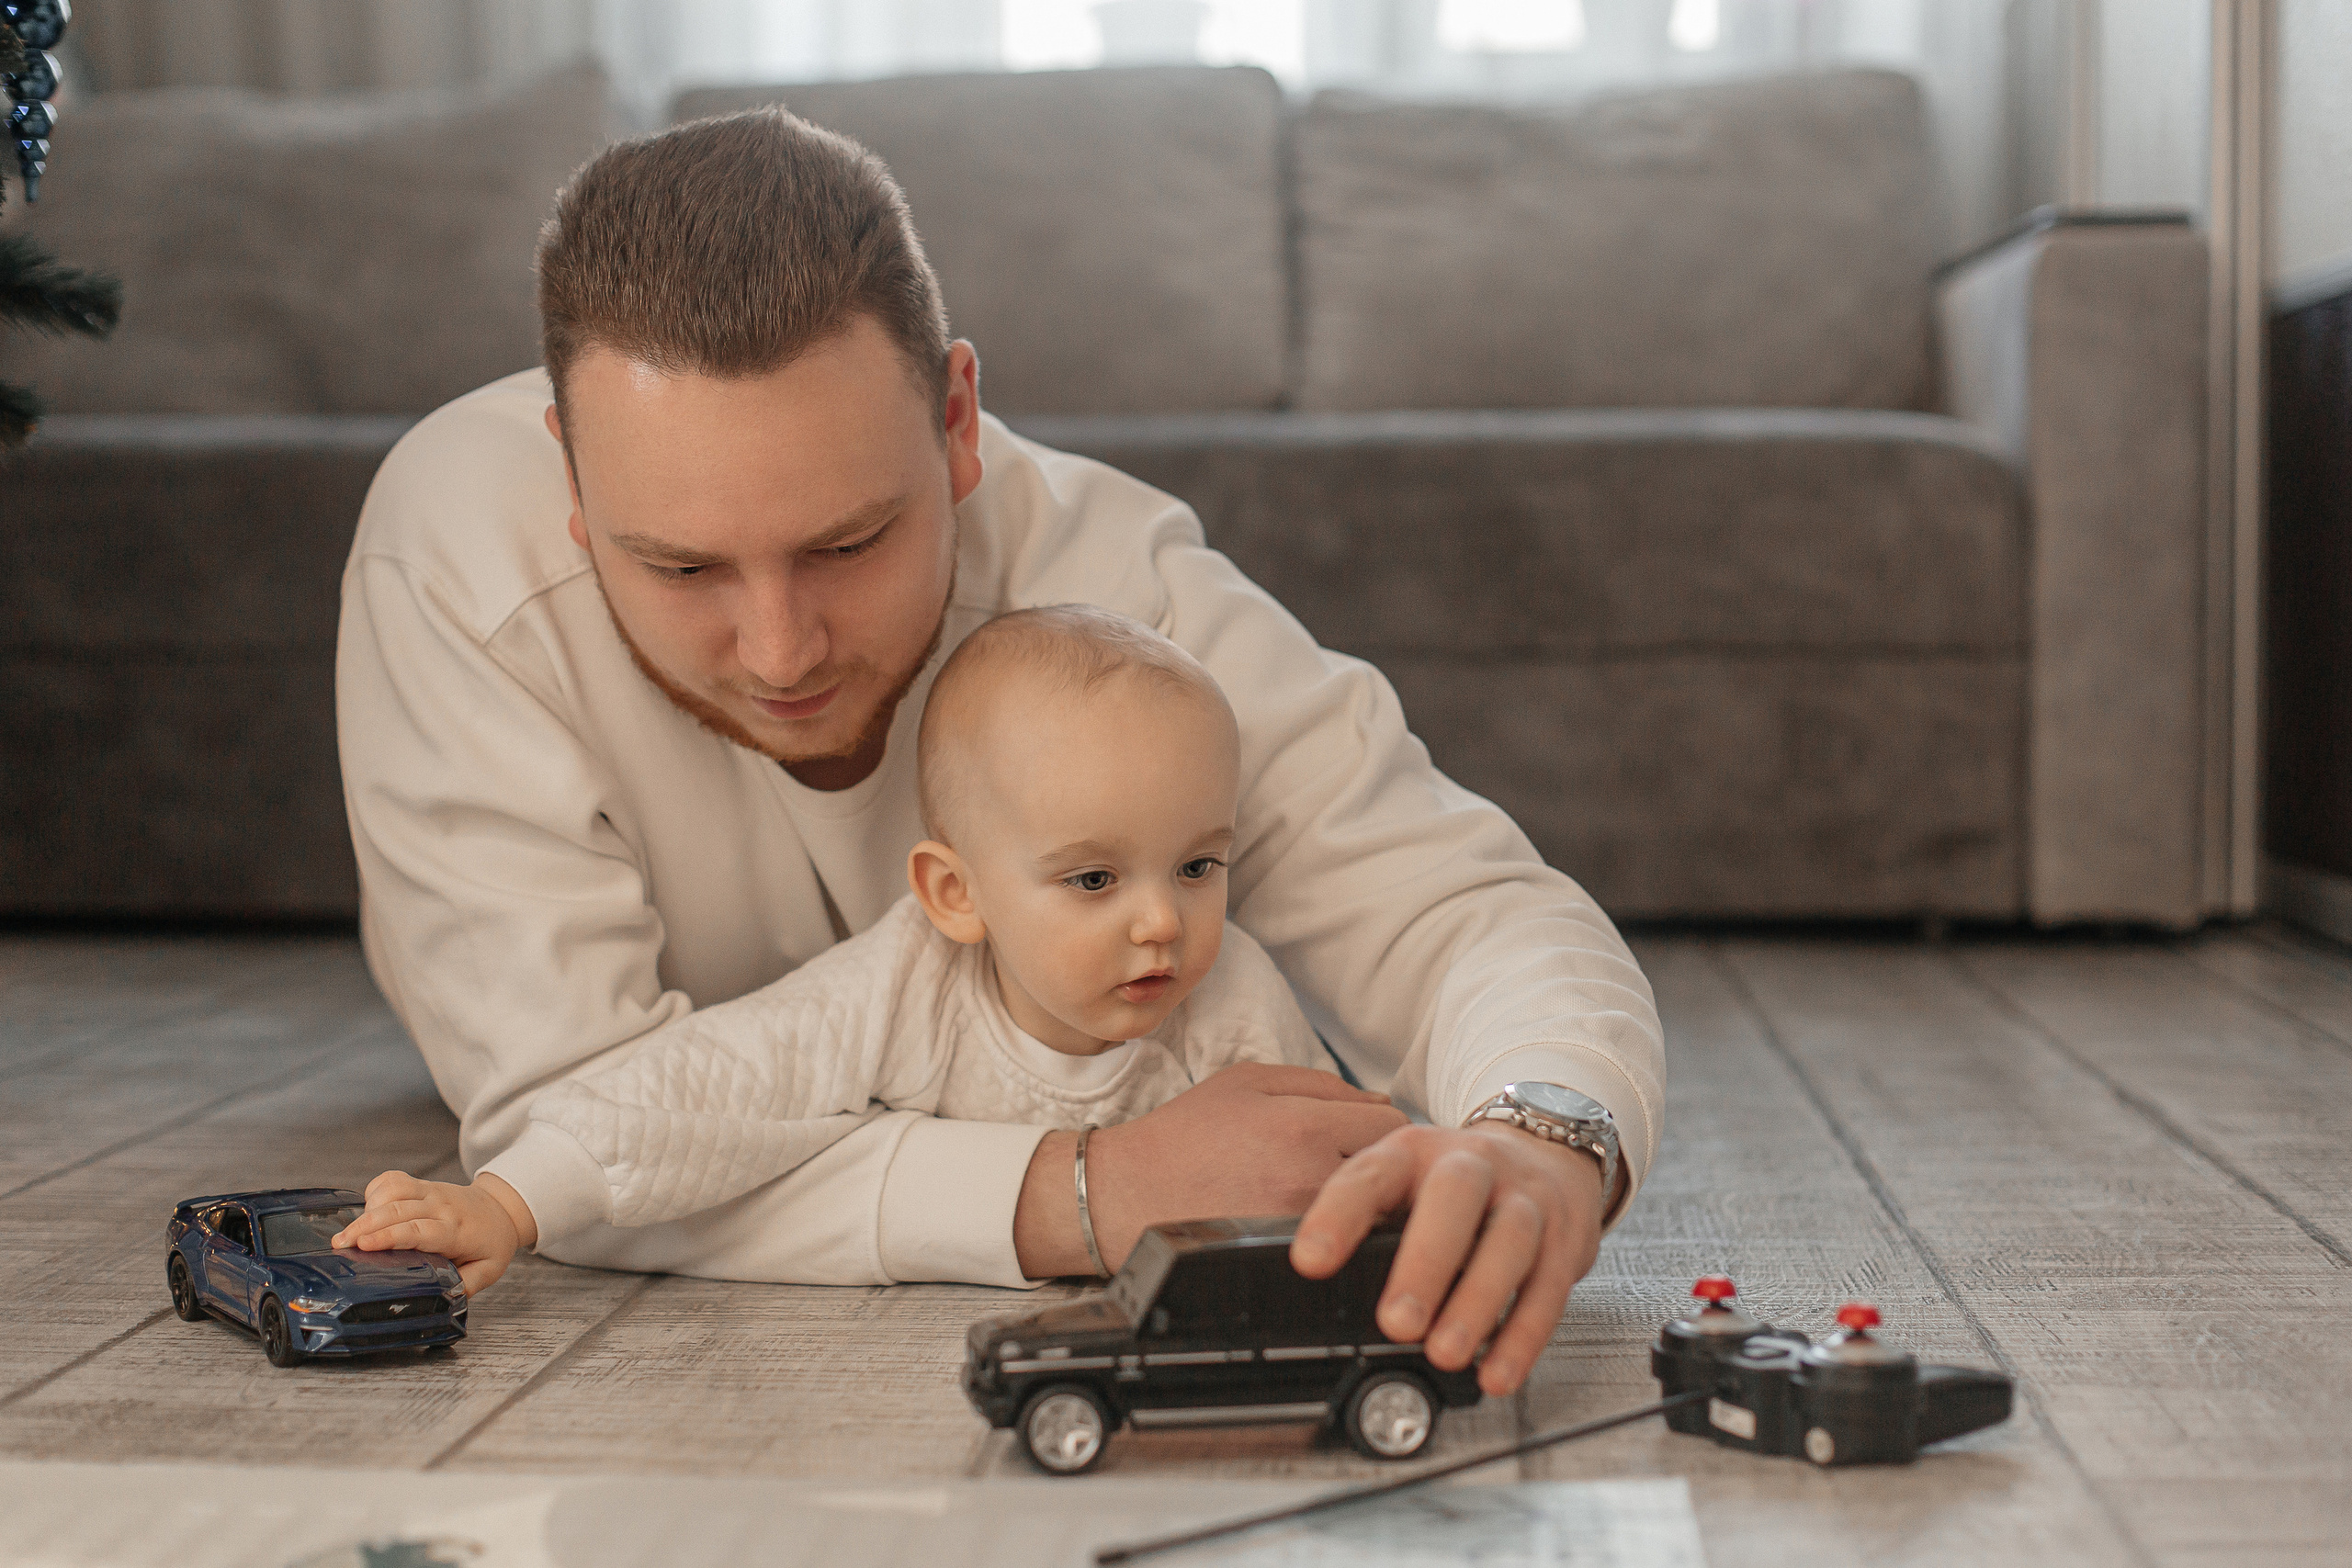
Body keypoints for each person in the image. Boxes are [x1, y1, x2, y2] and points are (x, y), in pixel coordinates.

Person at [335, 107, 1663, 1399]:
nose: (782, 648)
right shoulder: (452, 551)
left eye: (848, 543)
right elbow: (568, 1130)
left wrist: (1546, 1132)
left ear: (960, 419)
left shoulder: (1119, 594)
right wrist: (1086, 1187)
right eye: (680, 566)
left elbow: (1457, 907)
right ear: (571, 475)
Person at [333, 606, 1335, 1292]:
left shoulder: (1229, 991)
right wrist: (508, 1205)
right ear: (955, 895)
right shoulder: (907, 986)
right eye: (1093, 881)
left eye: (1198, 868)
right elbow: (709, 1086)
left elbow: (1319, 1151)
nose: (1162, 923)